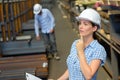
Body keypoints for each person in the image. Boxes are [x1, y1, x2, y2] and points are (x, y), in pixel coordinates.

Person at [58, 8, 107, 80]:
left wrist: (81, 52)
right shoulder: (75, 43)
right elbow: (71, 69)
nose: (81, 26)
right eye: (80, 23)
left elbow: (88, 75)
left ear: (94, 28)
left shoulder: (98, 49)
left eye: (85, 24)